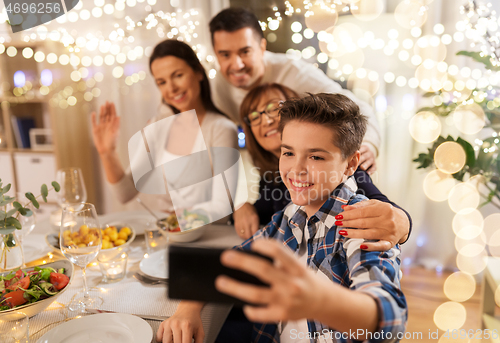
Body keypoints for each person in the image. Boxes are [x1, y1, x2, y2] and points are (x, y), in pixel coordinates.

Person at [157, 93, 407, 343]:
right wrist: (188, 307)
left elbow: (390, 320)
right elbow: (234, 261)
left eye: (316, 157)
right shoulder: (289, 215)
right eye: (288, 153)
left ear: (351, 164)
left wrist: (321, 301)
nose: (296, 170)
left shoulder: (361, 222)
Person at [234, 83, 411, 251]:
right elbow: (267, 216)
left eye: (273, 108)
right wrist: (244, 207)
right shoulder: (271, 174)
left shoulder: (340, 168)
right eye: (255, 117)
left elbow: (387, 211)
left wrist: (404, 222)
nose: (266, 120)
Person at [209, 8, 379, 174]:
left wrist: (368, 145)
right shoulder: (218, 88)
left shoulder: (295, 72)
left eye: (245, 52)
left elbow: (357, 107)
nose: (237, 65)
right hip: (270, 173)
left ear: (262, 47)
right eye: (225, 55)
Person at [91, 40, 238, 217]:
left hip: (208, 239)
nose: (171, 88)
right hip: (168, 236)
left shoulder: (222, 129)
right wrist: (107, 153)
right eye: (161, 82)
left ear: (198, 72)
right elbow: (125, 194)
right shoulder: (158, 127)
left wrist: (174, 223)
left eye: (177, 75)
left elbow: (223, 205)